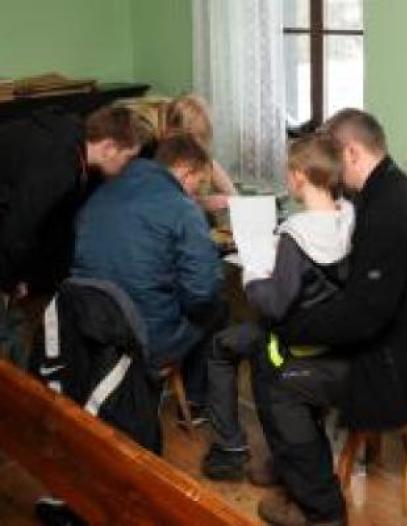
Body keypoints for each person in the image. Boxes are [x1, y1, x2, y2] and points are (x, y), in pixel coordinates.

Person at [252, 109, 407, 526]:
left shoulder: (387, 211)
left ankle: (321, 510)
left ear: (352, 152)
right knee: (284, 357)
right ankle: (294, 463)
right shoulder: (398, 189)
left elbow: (362, 318)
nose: (329, 170)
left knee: (281, 380)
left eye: (333, 157)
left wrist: (291, 329)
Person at [201, 133, 355, 483]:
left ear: (299, 176)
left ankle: (234, 448)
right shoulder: (348, 218)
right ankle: (288, 455)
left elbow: (273, 305)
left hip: (294, 345)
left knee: (226, 346)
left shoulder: (295, 235)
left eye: (288, 171)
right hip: (333, 342)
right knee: (255, 348)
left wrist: (254, 273)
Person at [72, 132, 223, 417]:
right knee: (216, 307)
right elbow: (201, 294)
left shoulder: (100, 195)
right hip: (143, 338)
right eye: (198, 183)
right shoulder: (183, 209)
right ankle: (195, 402)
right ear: (186, 171)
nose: (196, 193)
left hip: (89, 324)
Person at [0, 105, 149, 363]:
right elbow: (20, 228)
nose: (127, 167)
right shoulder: (58, 164)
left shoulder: (71, 139)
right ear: (109, 147)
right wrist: (8, 281)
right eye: (129, 157)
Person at [164, 94, 238, 212]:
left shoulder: (207, 163)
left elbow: (235, 197)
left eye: (203, 137)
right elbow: (168, 205)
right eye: (195, 137)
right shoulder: (160, 164)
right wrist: (203, 203)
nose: (199, 146)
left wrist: (227, 201)